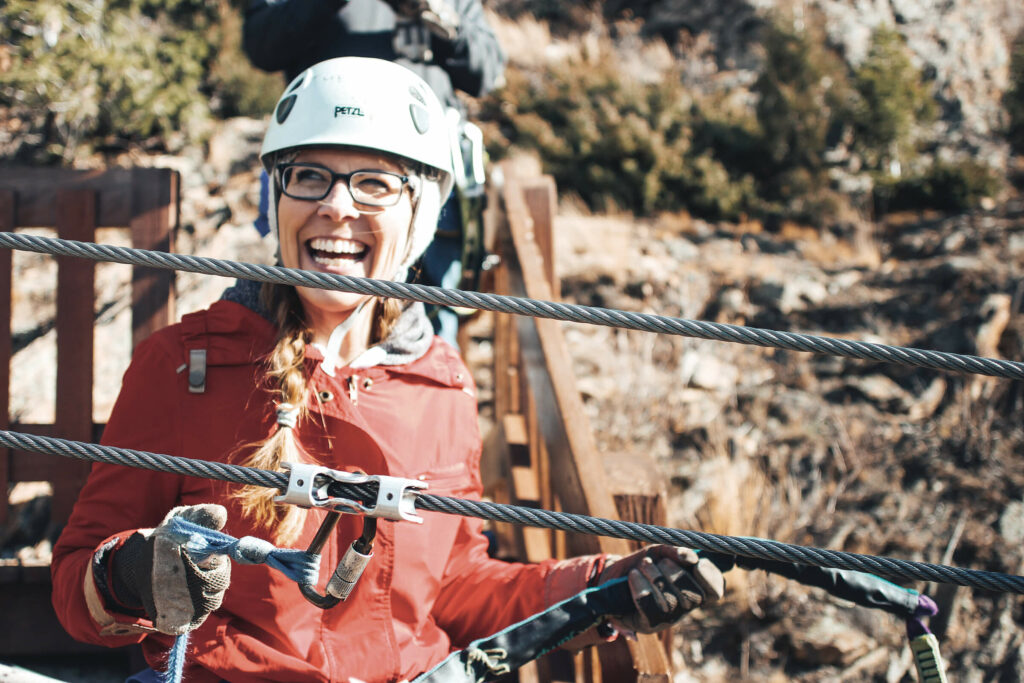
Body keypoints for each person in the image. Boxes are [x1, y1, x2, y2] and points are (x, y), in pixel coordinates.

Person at [51, 58, 724, 683]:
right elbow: (76, 583)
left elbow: (457, 583)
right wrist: (132, 573)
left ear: (419, 217)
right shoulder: (181, 364)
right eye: (308, 175)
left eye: (375, 182)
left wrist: (600, 584)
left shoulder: (442, 380)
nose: (337, 205)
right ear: (276, 196)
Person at [242, 0, 506, 348]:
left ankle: (429, 393)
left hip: (425, 182)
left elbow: (485, 72)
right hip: (318, 175)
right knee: (310, 311)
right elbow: (262, 45)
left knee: (433, 320)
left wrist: (437, 15)